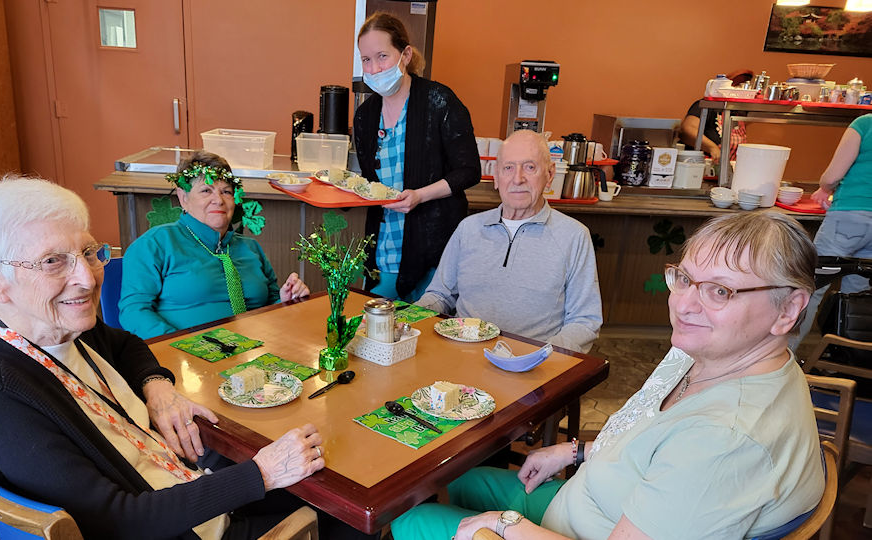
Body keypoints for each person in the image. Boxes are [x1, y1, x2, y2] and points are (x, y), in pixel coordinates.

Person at [0, 176, 370, 539]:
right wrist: (261, 474)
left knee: (331, 477)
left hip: (179, 482)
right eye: (53, 261)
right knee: (350, 514)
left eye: (90, 253)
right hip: (173, 527)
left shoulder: (58, 330)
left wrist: (157, 386)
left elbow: (127, 345)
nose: (86, 278)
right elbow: (119, 521)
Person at [393, 211, 824, 540]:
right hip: (592, 500)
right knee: (462, 479)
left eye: (720, 291)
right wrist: (575, 453)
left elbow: (691, 456)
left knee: (412, 516)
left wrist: (507, 525)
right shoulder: (709, 353)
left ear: (788, 310)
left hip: (590, 527)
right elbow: (655, 441)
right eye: (686, 279)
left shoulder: (725, 440)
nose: (685, 305)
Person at [416, 130, 602, 353]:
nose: (517, 178)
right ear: (496, 176)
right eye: (508, 168)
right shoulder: (469, 228)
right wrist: (406, 317)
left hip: (532, 366)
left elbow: (585, 320)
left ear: (550, 174)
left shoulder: (574, 236)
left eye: (530, 167)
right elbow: (440, 295)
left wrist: (541, 356)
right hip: (460, 355)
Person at [353, 12, 480, 302]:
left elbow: (468, 170)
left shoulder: (439, 101)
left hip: (434, 247)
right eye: (366, 59)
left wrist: (420, 195)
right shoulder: (365, 116)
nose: (374, 69)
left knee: (426, 333)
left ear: (406, 54)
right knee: (376, 332)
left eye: (382, 56)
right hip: (384, 249)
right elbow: (371, 181)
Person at [119, 151, 309, 339]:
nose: (218, 200)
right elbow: (133, 312)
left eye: (226, 191)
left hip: (256, 351)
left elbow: (271, 306)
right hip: (187, 359)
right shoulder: (155, 244)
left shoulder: (251, 248)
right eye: (206, 191)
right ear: (183, 198)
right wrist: (181, 346)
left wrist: (286, 301)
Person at [792, 114, 872, 348]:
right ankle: (844, 359)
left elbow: (833, 175)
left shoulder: (864, 123)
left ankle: (785, 358)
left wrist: (824, 188)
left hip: (850, 216)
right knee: (855, 293)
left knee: (811, 286)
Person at [679, 69, 753, 162]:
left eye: (742, 86)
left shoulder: (740, 112)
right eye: (735, 86)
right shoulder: (707, 106)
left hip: (729, 166)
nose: (738, 89)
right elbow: (687, 130)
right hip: (704, 164)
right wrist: (712, 148)